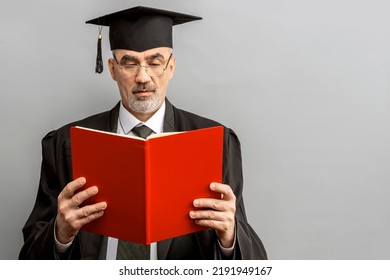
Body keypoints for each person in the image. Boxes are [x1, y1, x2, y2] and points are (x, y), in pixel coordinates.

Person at [19, 6, 267, 260]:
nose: (143, 77)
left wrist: (229, 236)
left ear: (171, 67)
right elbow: (28, 260)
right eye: (129, 63)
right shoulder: (66, 143)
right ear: (113, 70)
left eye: (155, 63)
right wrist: (60, 233)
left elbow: (253, 261)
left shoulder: (216, 142)